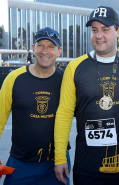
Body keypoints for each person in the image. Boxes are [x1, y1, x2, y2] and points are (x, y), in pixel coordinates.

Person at [54, 6, 119, 185]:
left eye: (105, 30)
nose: (99, 36)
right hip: (87, 167)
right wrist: (60, 157)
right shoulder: (75, 67)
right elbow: (64, 113)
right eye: (94, 30)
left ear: (118, 31)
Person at [0, 27, 71, 185]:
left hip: (56, 164)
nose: (45, 51)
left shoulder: (67, 81)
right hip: (20, 164)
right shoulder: (14, 79)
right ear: (33, 48)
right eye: (41, 45)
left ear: (59, 51)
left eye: (51, 46)